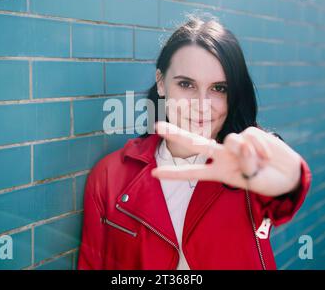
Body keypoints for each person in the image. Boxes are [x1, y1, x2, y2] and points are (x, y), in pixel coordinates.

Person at [77, 14, 312, 270]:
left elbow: (283, 198)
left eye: (218, 88)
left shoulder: (247, 166)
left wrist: (292, 179)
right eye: (186, 84)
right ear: (161, 83)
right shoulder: (110, 174)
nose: (202, 105)